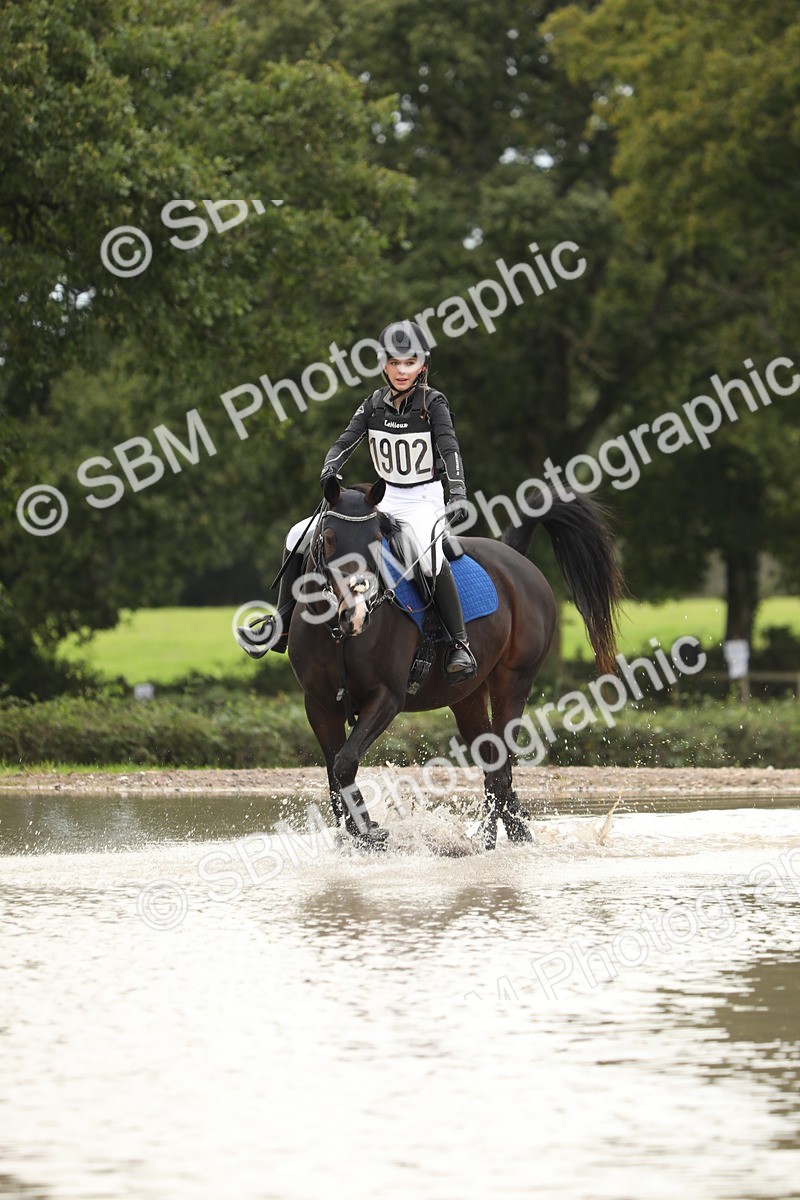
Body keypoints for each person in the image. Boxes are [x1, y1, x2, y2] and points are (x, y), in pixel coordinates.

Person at [237, 319, 477, 682]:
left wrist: (457, 490)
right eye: (394, 363)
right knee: (296, 535)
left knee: (428, 557)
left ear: (422, 366)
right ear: (383, 364)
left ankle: (459, 644)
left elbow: (449, 448)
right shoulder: (374, 403)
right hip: (381, 497)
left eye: (409, 363)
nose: (401, 370)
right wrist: (330, 468)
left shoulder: (434, 403)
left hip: (423, 498)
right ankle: (282, 626)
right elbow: (343, 442)